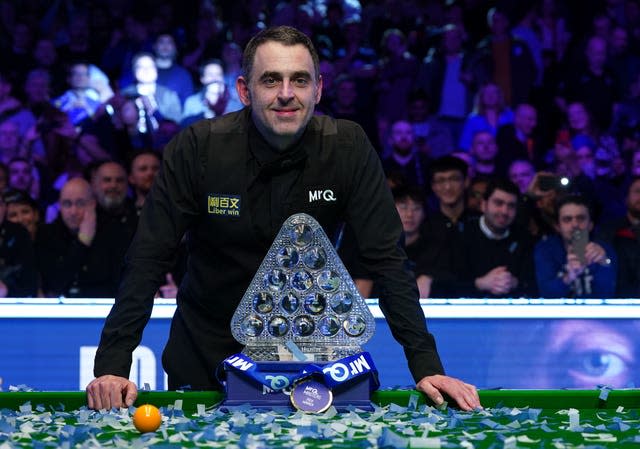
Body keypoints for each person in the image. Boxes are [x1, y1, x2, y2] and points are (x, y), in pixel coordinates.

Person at [86, 26, 479, 412]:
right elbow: (147, 259)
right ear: (244, 90)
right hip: (205, 357)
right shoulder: (197, 148)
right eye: (271, 80)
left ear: (319, 89)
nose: (286, 94)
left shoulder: (348, 148)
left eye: (300, 80)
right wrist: (112, 367)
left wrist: (427, 367)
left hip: (310, 362)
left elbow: (389, 261)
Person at [36, 177, 130, 298]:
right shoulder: (47, 234)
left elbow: (119, 284)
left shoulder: (115, 233)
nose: (73, 211)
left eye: (80, 203)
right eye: (67, 204)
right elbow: (55, 285)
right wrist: (83, 241)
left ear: (93, 204)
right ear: (59, 206)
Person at [452, 178, 536, 298]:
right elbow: (446, 284)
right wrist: (480, 284)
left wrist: (515, 283)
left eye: (511, 206)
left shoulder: (524, 238)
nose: (504, 211)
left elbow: (533, 285)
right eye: (498, 203)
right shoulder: (461, 234)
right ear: (483, 205)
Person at [535, 194, 616, 298]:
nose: (575, 224)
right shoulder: (545, 249)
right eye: (567, 219)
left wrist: (605, 262)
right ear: (558, 227)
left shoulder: (604, 249)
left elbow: (608, 295)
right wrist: (568, 277)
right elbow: (546, 294)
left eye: (581, 218)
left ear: (591, 225)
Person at [0, 190, 38, 297]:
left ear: (36, 214)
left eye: (25, 212)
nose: (20, 219)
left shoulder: (48, 239)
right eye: (13, 215)